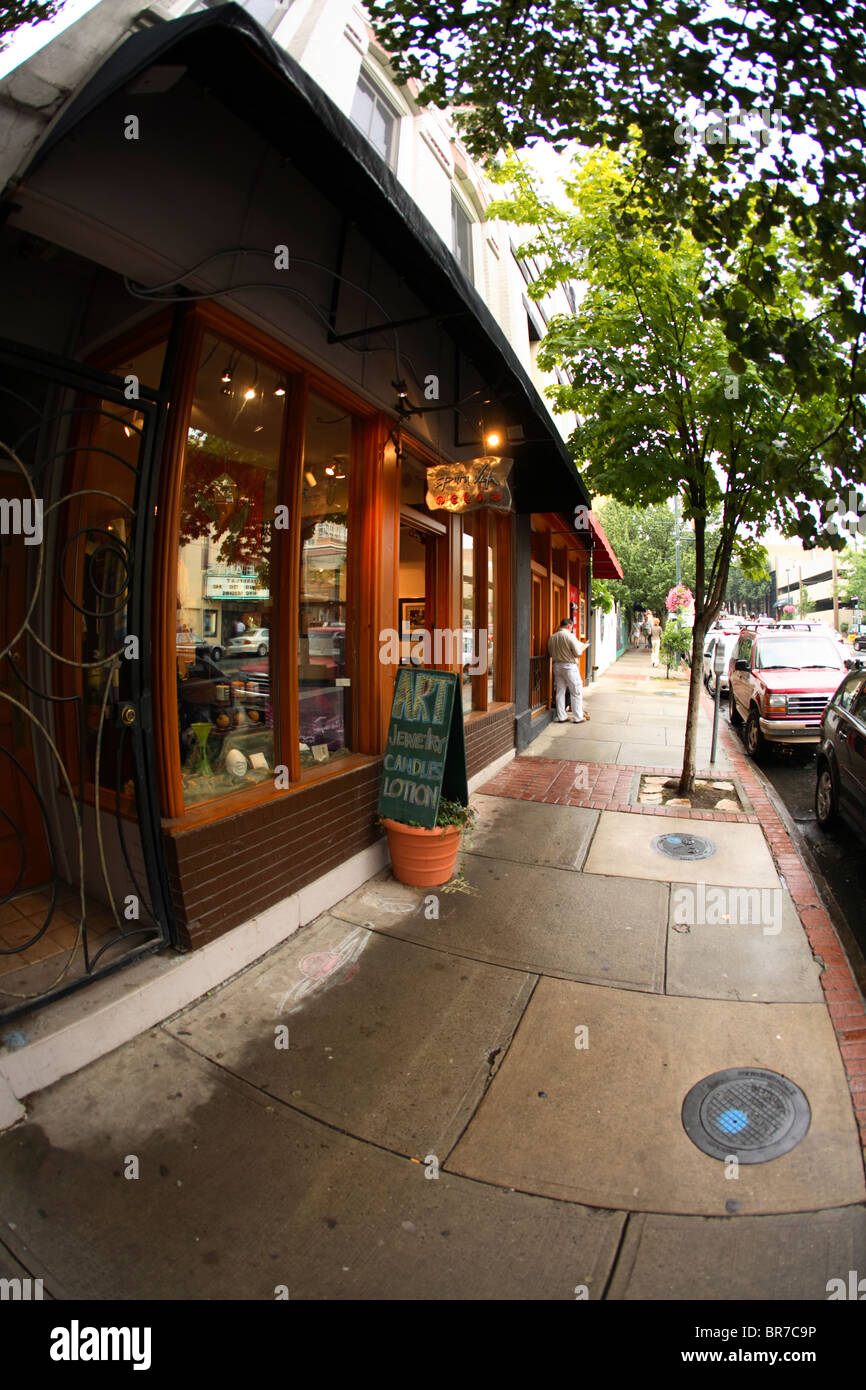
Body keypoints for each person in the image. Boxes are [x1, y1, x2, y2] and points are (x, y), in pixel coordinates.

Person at [548, 618, 590, 723]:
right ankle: (578, 717)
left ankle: (562, 716)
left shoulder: (552, 637)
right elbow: (577, 653)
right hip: (569, 666)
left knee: (560, 691)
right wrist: (583, 648)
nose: (572, 629)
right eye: (572, 627)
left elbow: (550, 652)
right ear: (568, 626)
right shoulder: (570, 636)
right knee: (576, 691)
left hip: (557, 665)